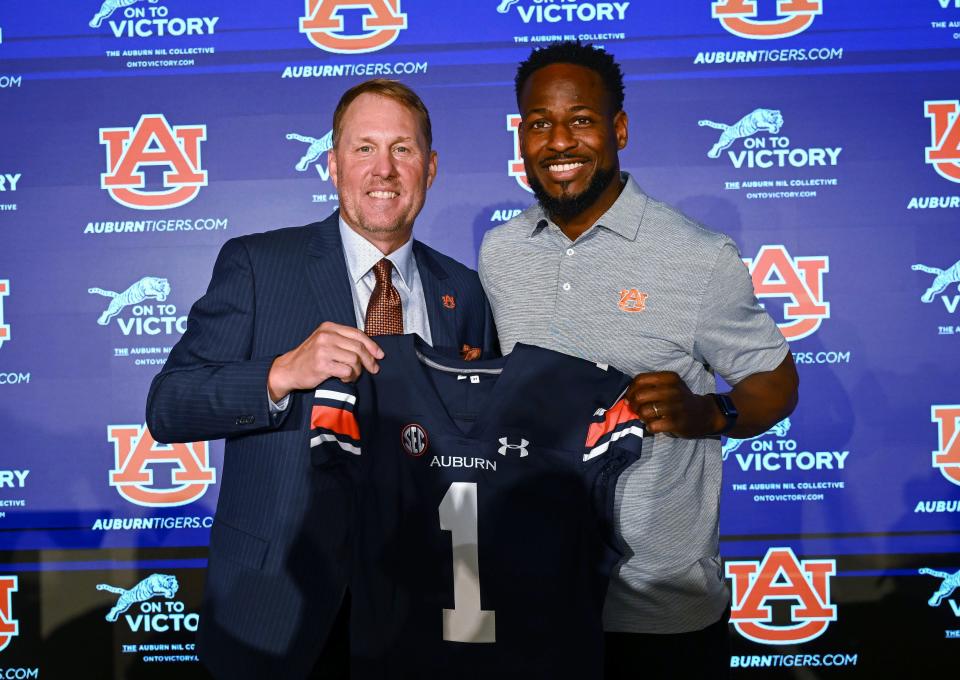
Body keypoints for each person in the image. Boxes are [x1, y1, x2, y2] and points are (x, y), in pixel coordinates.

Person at [146, 79, 497, 680]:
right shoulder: (258, 265)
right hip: (277, 607)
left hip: (421, 608)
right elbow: (168, 405)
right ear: (332, 164)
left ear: (431, 168)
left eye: (403, 150)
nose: (383, 170)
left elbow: (477, 455)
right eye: (364, 149)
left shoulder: (462, 290)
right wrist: (282, 373)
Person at [478, 42, 799, 678]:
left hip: (658, 611)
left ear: (618, 129)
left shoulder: (698, 257)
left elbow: (777, 383)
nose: (559, 140)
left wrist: (712, 411)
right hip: (531, 600)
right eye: (539, 122)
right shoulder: (500, 252)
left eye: (582, 120)